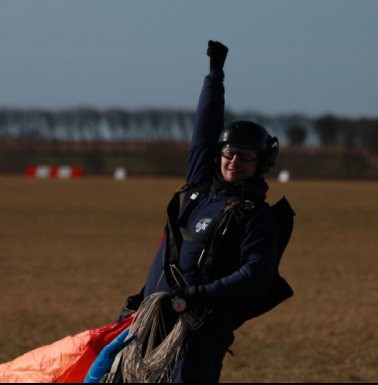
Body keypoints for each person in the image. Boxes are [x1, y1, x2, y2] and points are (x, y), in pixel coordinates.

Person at [117, 40, 294, 383]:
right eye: (228, 153)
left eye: (245, 156)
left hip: (197, 330)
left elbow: (255, 277)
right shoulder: (200, 189)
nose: (234, 161)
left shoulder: (257, 217)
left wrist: (196, 296)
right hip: (149, 320)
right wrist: (215, 76)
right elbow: (204, 131)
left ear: (260, 164)